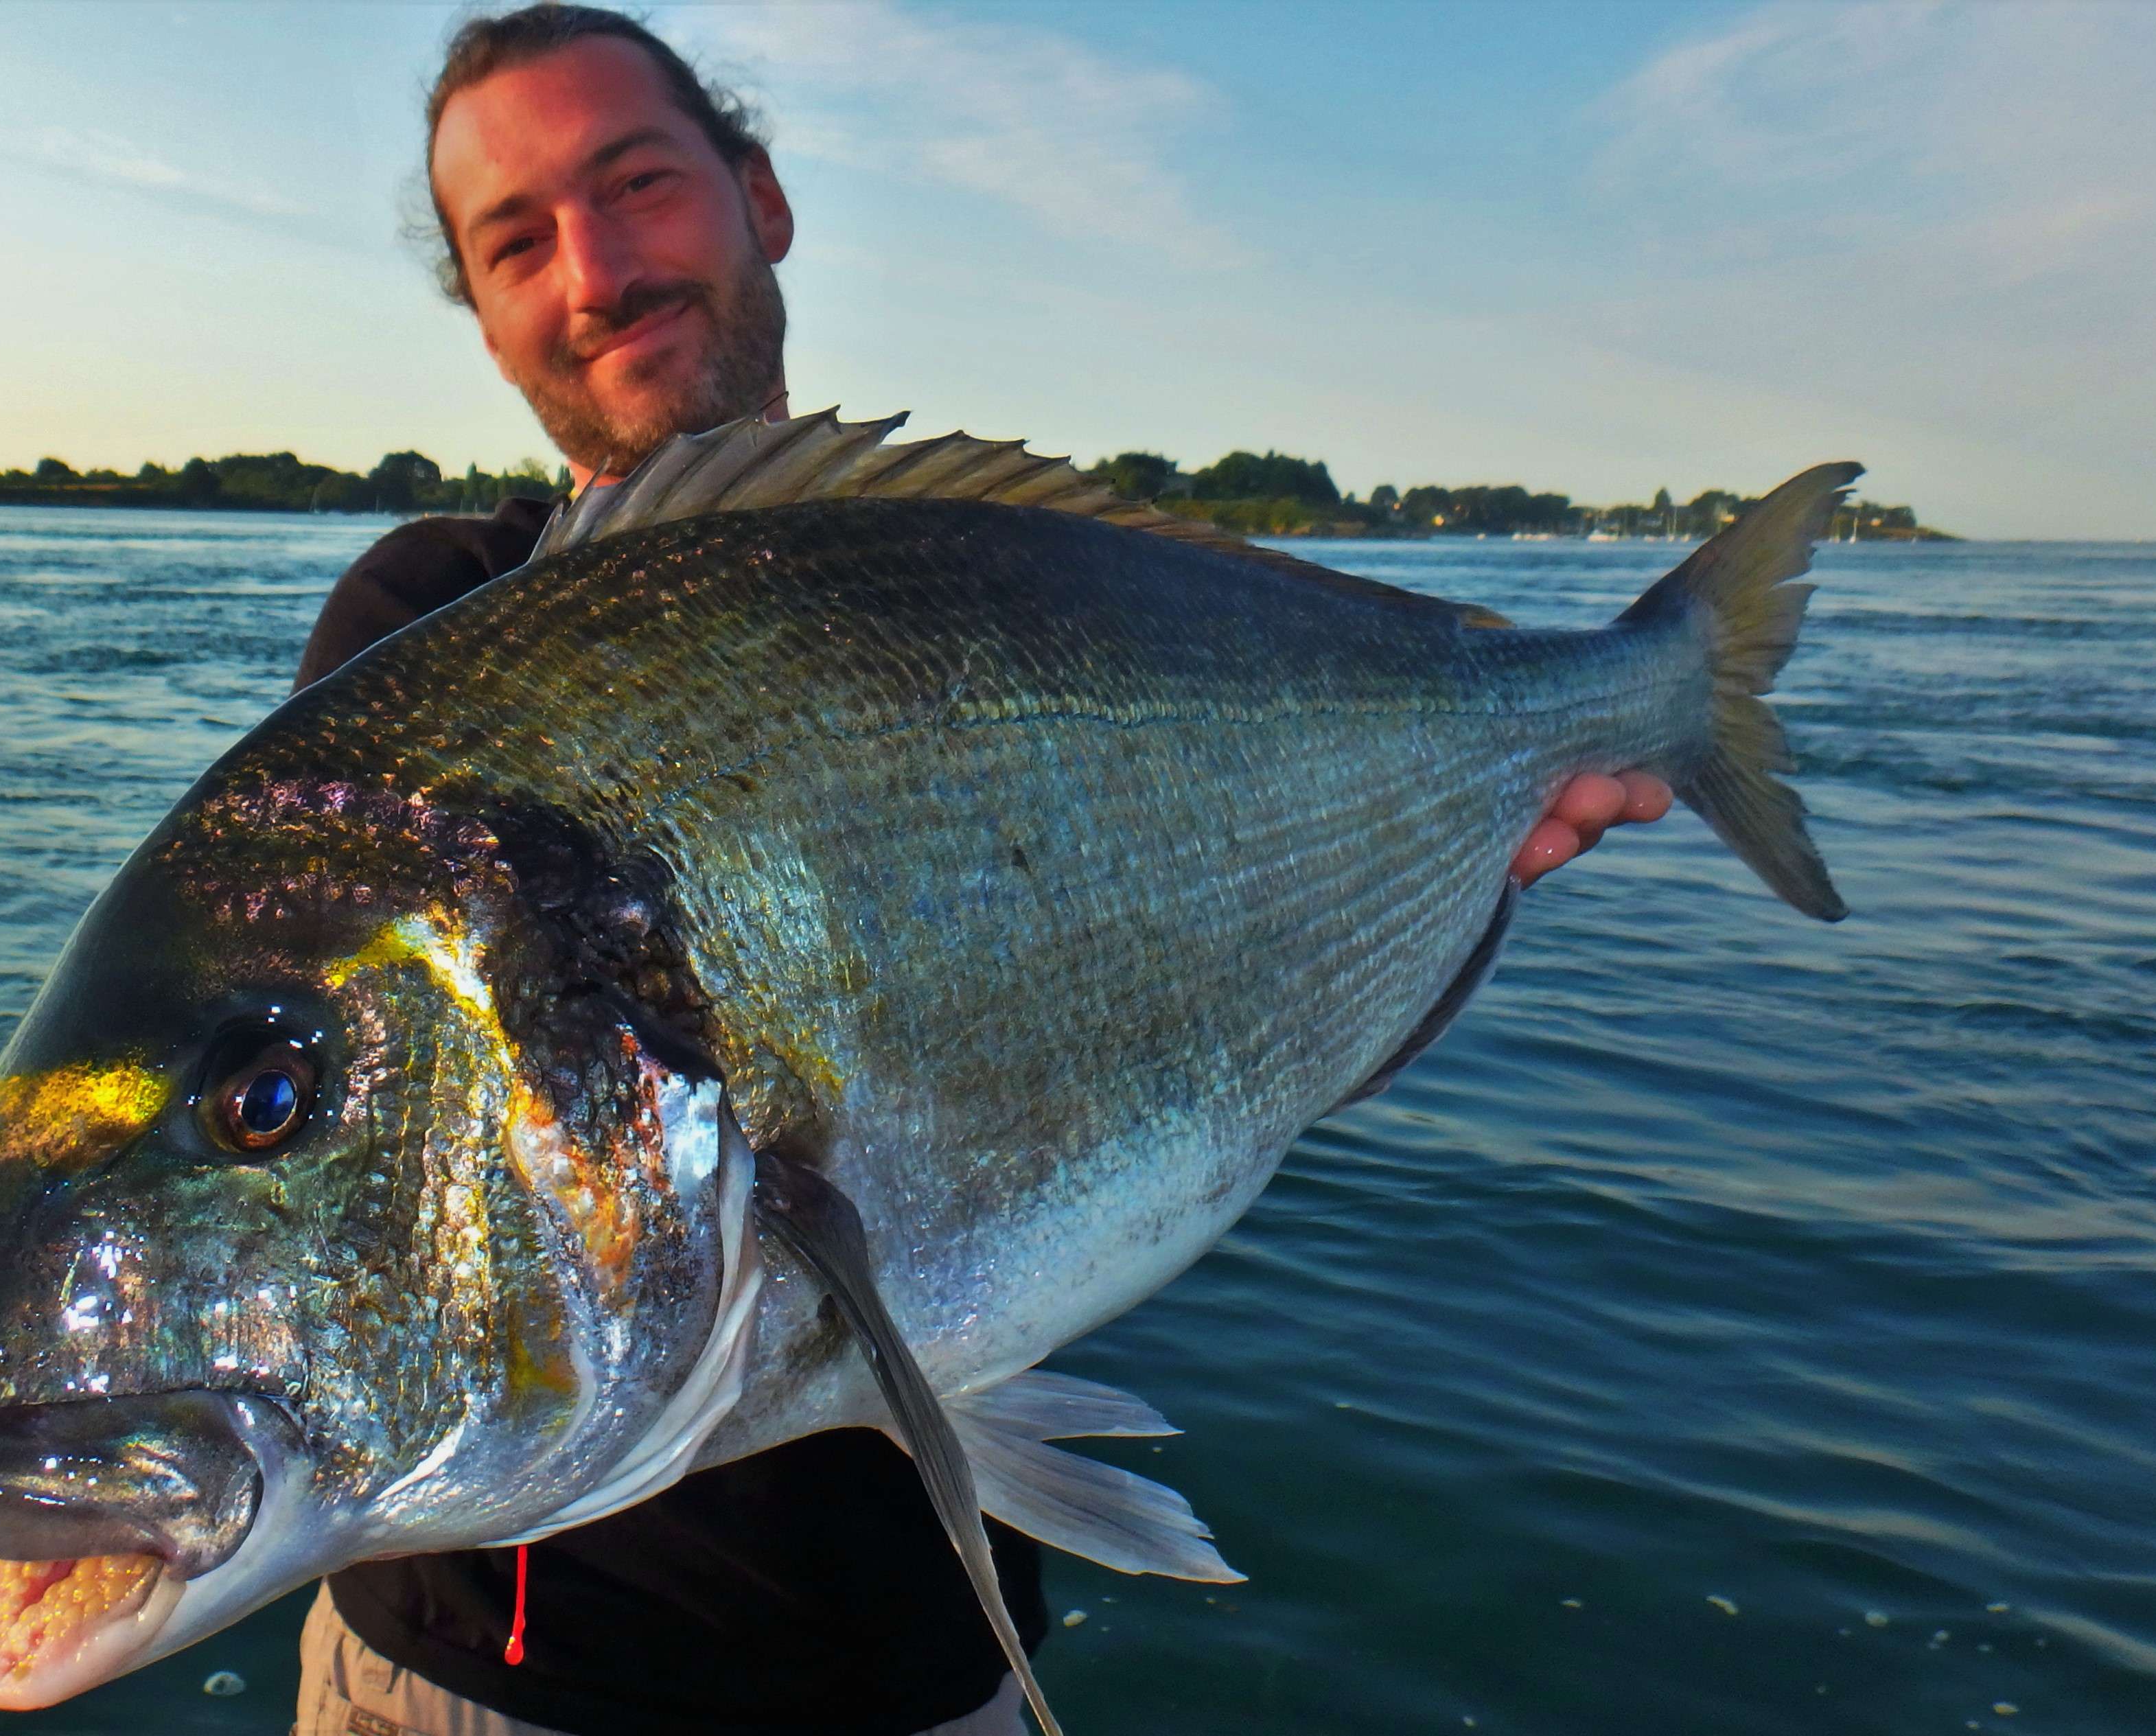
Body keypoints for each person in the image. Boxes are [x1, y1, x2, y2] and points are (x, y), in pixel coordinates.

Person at [287, 10, 1669, 1733]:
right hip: (500, 1682)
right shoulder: (429, 642)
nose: (594, 269)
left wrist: (1411, 846)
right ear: (487, 325)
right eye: (516, 242)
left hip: (942, 1654)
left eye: (635, 182)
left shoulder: (1008, 583)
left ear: (761, 199)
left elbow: (1191, 1039)